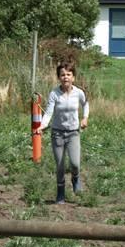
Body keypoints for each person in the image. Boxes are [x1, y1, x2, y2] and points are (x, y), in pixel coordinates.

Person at [33, 61, 89, 204]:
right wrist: (42, 125)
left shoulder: (78, 93)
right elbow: (49, 112)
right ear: (59, 77)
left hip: (73, 133)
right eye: (62, 75)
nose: (65, 77)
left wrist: (85, 118)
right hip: (57, 133)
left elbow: (85, 104)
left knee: (75, 163)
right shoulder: (54, 94)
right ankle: (60, 193)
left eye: (68, 74)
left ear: (73, 77)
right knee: (60, 166)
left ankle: (75, 179)